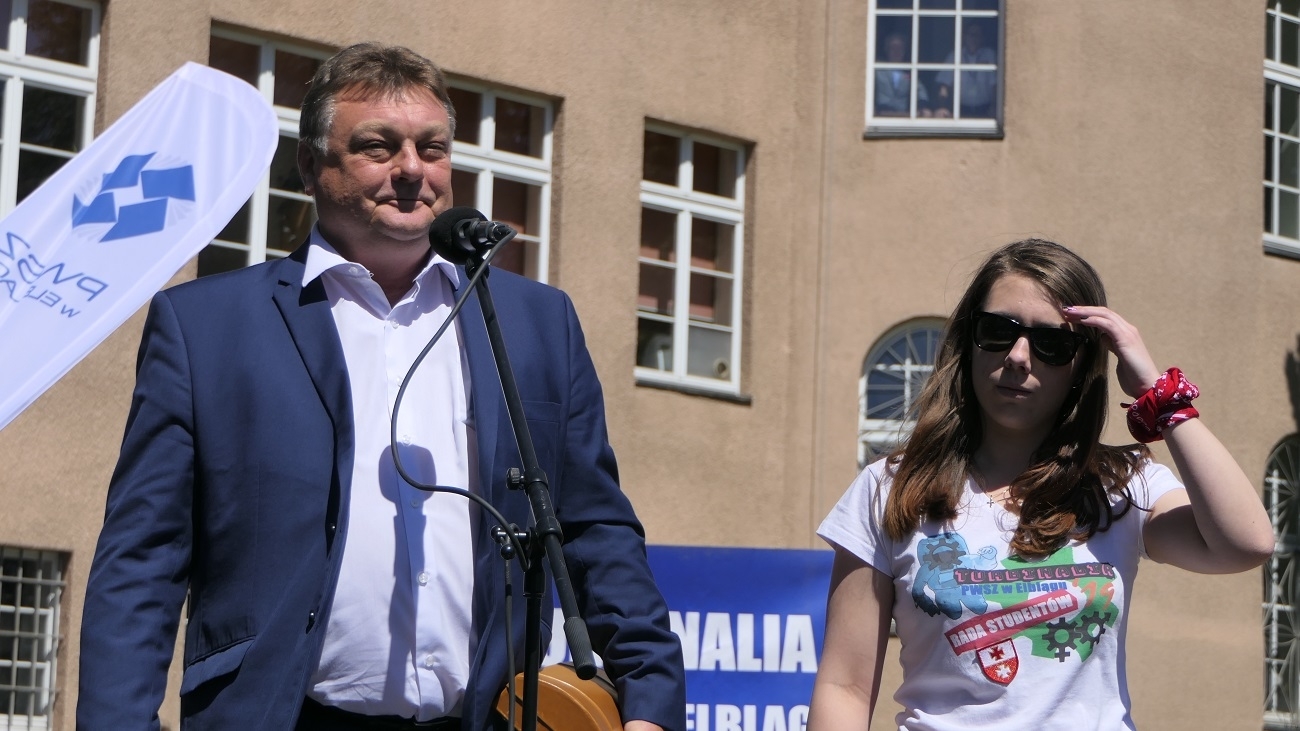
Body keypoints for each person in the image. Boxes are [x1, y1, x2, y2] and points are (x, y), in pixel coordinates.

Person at [77, 42, 686, 731]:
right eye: (378, 146)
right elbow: (143, 557)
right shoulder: (207, 328)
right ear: (311, 164)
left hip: (485, 716)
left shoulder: (535, 323)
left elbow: (594, 527)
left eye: (432, 148)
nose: (411, 169)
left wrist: (650, 695)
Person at [807, 239, 1274, 729]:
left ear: (1081, 366)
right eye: (997, 331)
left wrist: (1159, 396)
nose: (1018, 357)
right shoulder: (889, 487)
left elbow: (1245, 543)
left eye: (1052, 343)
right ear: (968, 340)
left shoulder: (1125, 486)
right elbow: (844, 686)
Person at [933, 20, 997, 119]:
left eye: (977, 35)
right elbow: (944, 85)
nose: (974, 38)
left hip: (985, 109)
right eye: (971, 35)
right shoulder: (955, 55)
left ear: (982, 38)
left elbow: (995, 85)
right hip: (961, 109)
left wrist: (995, 106)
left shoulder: (989, 54)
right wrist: (943, 107)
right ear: (964, 37)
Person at [874, 32, 931, 118]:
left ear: (904, 51)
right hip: (881, 113)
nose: (896, 52)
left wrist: (922, 106)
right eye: (893, 48)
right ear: (887, 50)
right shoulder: (878, 70)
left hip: (902, 114)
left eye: (900, 48)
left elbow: (920, 91)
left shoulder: (909, 71)